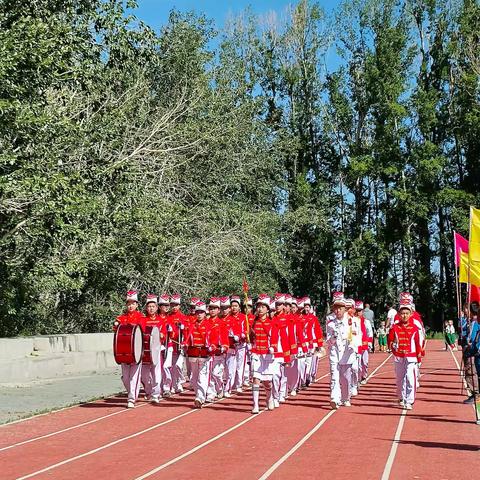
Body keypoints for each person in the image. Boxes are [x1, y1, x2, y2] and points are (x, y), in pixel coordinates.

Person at [326, 292, 360, 409]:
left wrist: (353, 346)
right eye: (335, 308)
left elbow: (356, 336)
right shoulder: (330, 324)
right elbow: (328, 341)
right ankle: (334, 398)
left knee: (345, 379)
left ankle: (346, 397)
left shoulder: (352, 321)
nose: (337, 311)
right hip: (335, 353)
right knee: (334, 377)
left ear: (344, 309)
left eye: (340, 308)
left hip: (347, 353)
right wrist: (333, 338)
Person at [388, 300, 422, 410]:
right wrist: (394, 348)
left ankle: (410, 400)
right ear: (399, 314)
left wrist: (419, 356)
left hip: (411, 357)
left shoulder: (415, 328)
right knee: (399, 379)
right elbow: (390, 341)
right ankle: (401, 397)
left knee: (410, 378)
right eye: (402, 313)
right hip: (399, 357)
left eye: (407, 313)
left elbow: (417, 343)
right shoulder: (395, 327)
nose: (404, 315)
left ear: (411, 314)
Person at [114, 290, 146, 408]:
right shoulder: (121, 318)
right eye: (128, 303)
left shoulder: (141, 317)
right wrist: (116, 325)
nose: (130, 306)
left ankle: (132, 398)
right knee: (125, 378)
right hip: (124, 352)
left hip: (136, 352)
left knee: (134, 377)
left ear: (137, 304)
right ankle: (131, 393)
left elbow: (141, 331)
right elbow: (116, 331)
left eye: (133, 303)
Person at [250, 294, 279, 414]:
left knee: (267, 382)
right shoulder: (252, 322)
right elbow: (251, 337)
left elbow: (275, 337)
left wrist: (273, 346)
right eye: (258, 307)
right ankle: (255, 405)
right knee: (256, 379)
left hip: (267, 355)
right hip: (256, 353)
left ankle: (269, 397)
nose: (260, 309)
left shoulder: (272, 323)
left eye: (263, 307)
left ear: (267, 309)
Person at [184, 301, 213, 408]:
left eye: (201, 312)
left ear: (205, 313)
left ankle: (200, 397)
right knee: (194, 377)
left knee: (202, 376)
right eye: (198, 312)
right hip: (193, 354)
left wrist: (212, 346)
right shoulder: (191, 325)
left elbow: (213, 340)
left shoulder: (209, 325)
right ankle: (199, 395)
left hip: (204, 354)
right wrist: (184, 344)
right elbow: (186, 338)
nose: (199, 314)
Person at [141, 294, 164, 404]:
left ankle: (156, 394)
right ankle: (148, 391)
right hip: (145, 351)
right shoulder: (142, 320)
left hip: (156, 350)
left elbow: (164, 334)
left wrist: (162, 336)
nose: (150, 308)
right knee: (144, 375)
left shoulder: (161, 320)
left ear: (156, 308)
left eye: (153, 306)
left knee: (156, 373)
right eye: (149, 306)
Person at [206, 297, 229, 402]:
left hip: (218, 352)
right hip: (207, 352)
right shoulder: (205, 322)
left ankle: (220, 388)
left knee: (216, 373)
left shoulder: (222, 323)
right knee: (209, 373)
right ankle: (211, 393)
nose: (212, 310)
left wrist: (224, 347)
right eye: (211, 308)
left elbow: (225, 338)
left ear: (218, 310)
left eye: (215, 308)